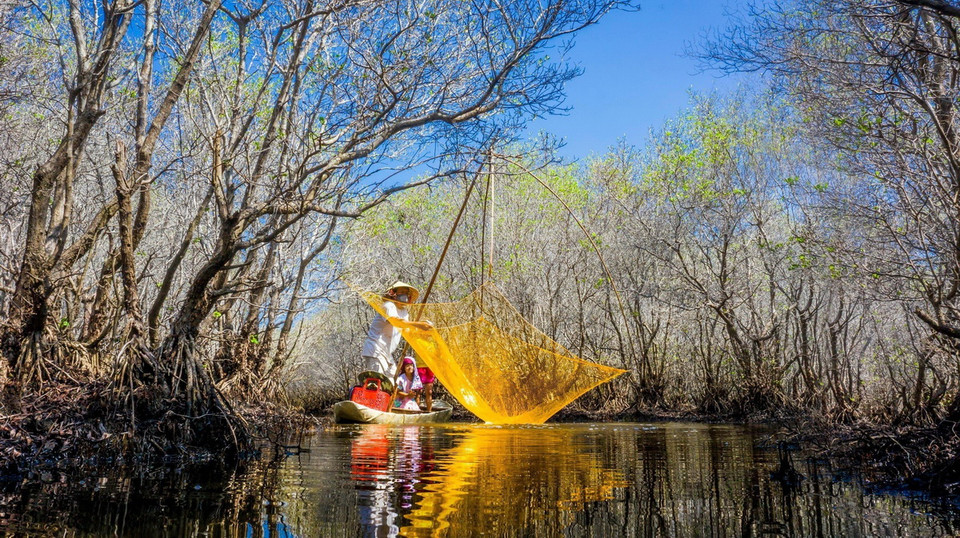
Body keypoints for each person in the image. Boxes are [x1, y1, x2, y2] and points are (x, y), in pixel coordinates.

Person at [360, 281, 432, 376]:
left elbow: (407, 329)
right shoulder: (388, 306)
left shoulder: (404, 312)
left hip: (387, 353)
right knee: (377, 380)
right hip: (375, 349)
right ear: (393, 293)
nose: (404, 295)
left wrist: (424, 330)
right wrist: (418, 324)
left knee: (393, 382)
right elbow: (396, 321)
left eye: (406, 293)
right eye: (402, 292)